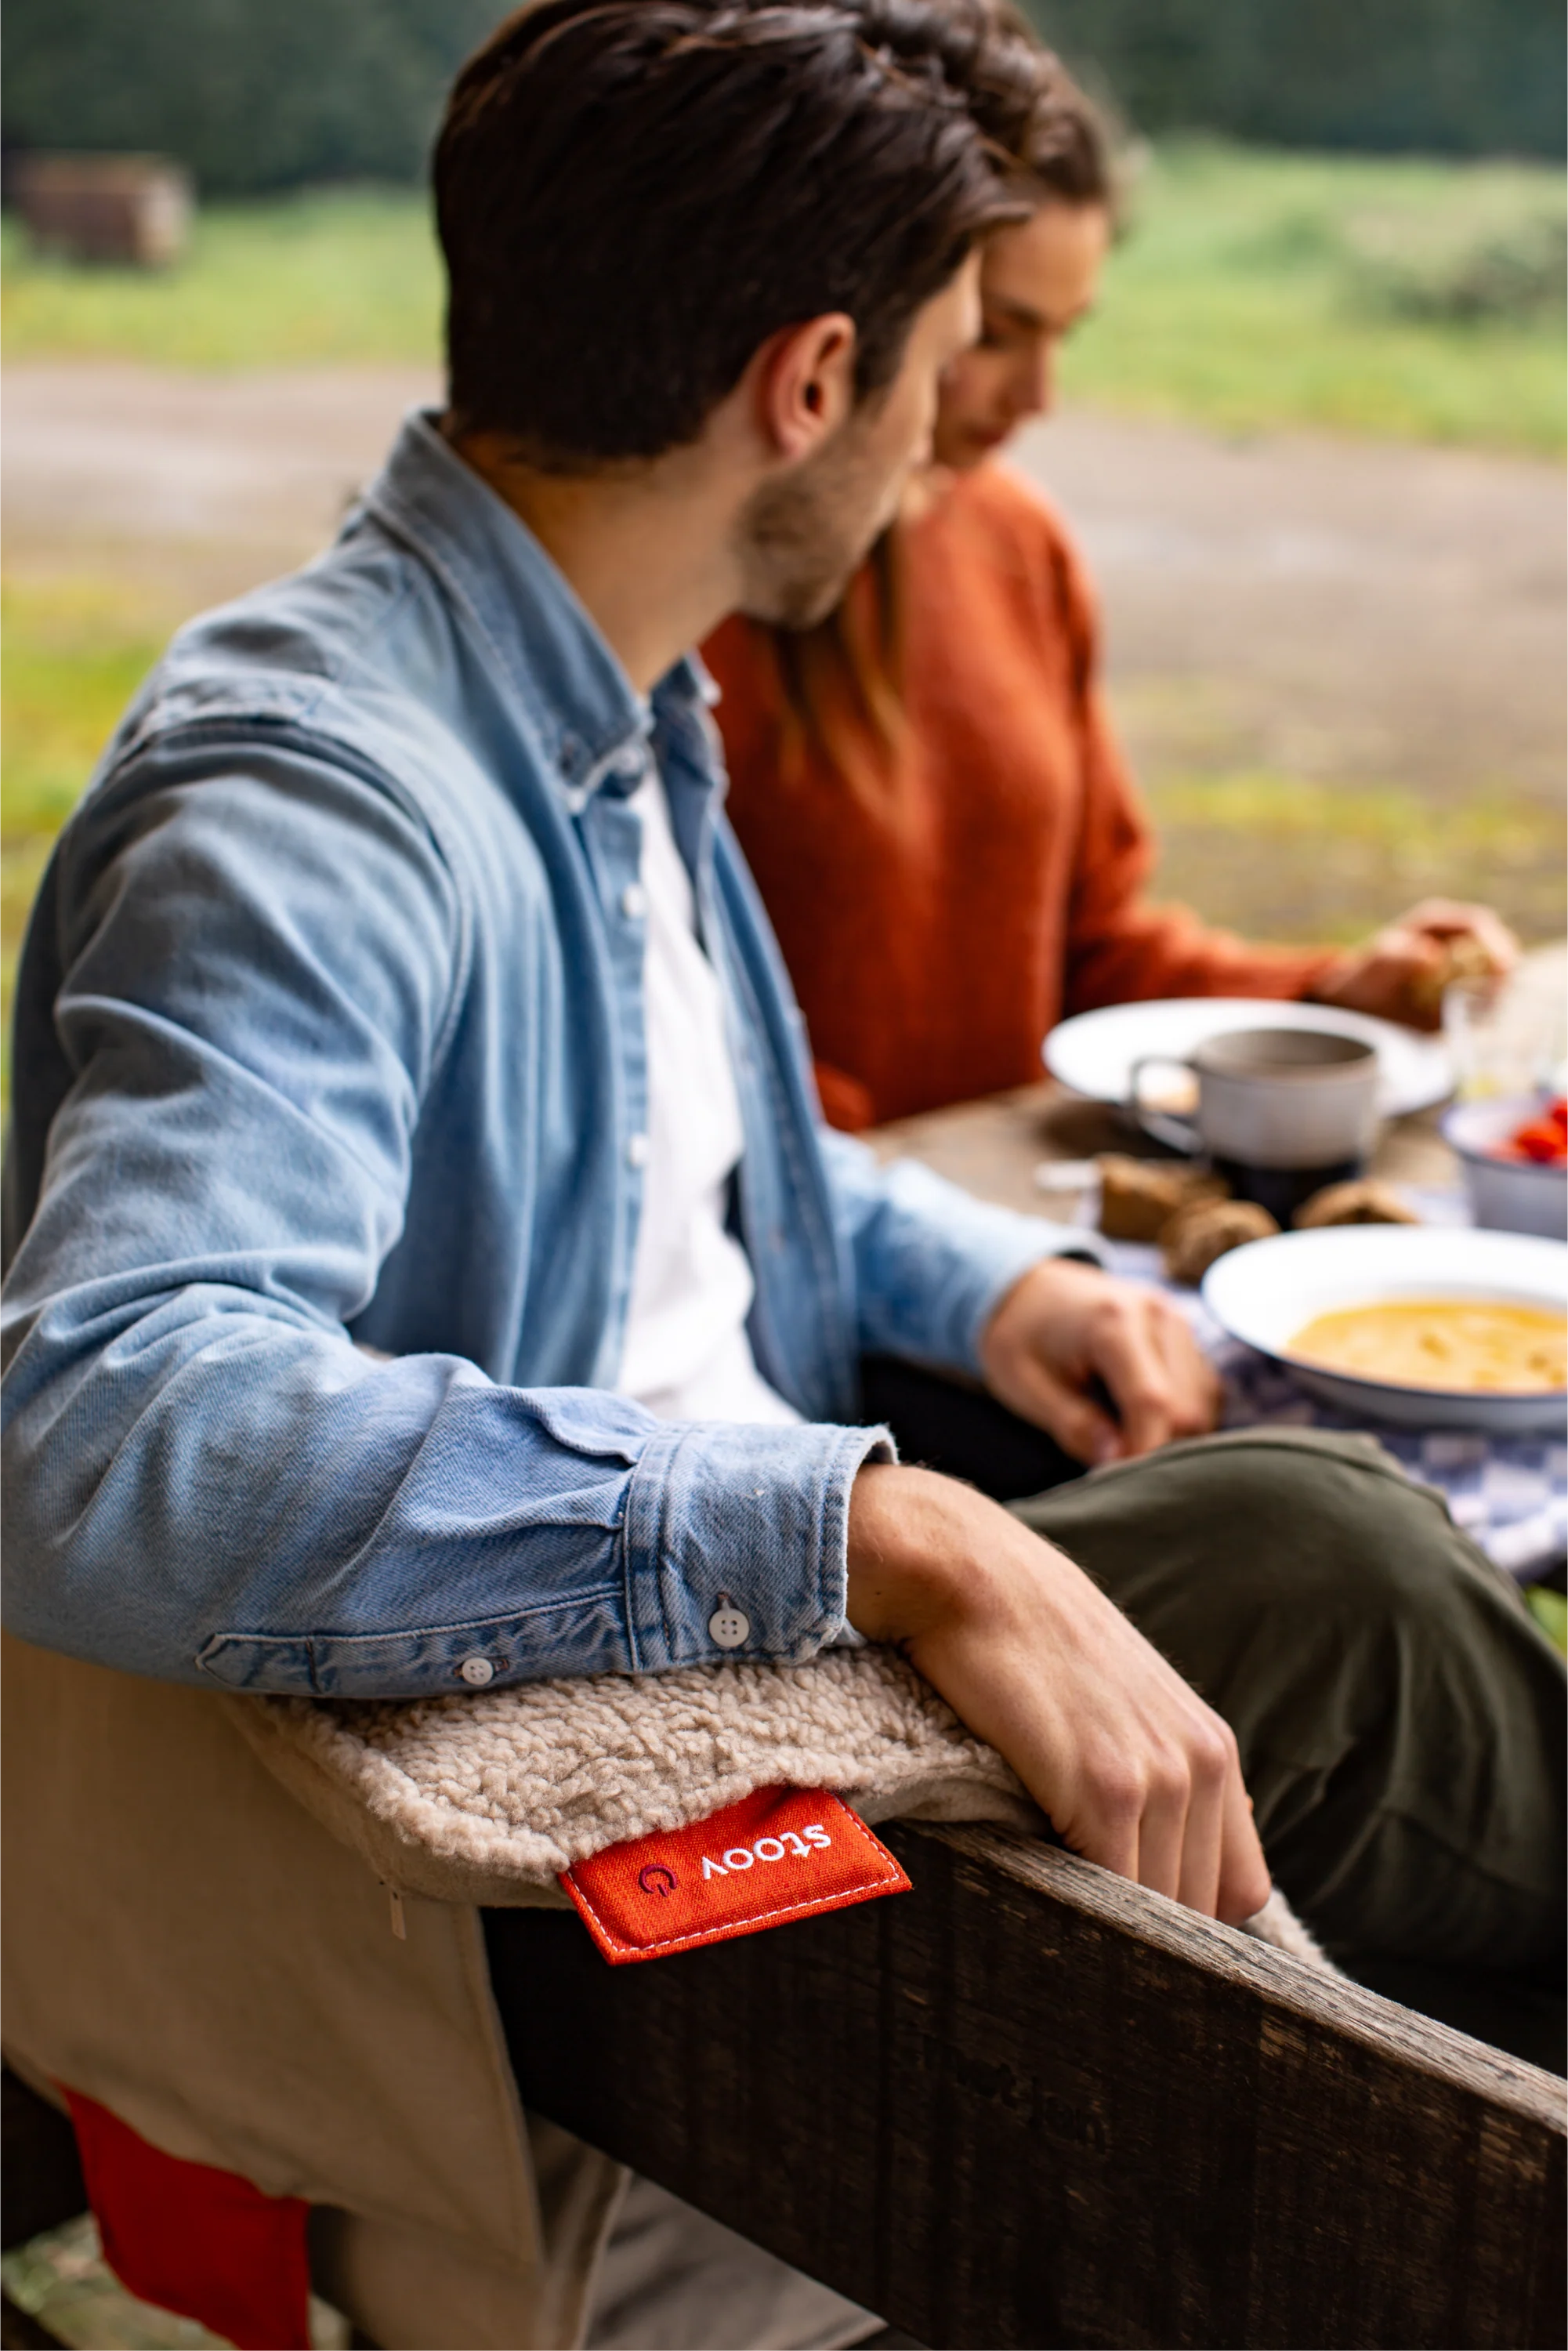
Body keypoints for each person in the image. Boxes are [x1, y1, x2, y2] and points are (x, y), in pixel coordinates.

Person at [1, 2, 1566, 2339]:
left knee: (1392, 1773)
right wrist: (870, 1530)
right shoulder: (314, 793)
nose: (957, 428)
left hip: (717, 1693)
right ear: (815, 381)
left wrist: (991, 1286)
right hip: (530, 1838)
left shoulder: (612, 712)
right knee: (1328, 1559)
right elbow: (104, 1419)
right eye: (953, 354)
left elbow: (697, 1157)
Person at [703, 58, 1517, 1131]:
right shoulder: (698, 595)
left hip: (1001, 1201)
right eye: (994, 334)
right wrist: (878, 1187)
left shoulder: (1016, 543)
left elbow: (1090, 952)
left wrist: (1327, 992)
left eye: (1065, 335)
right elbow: (674, 1056)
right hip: (838, 1219)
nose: (1039, 397)